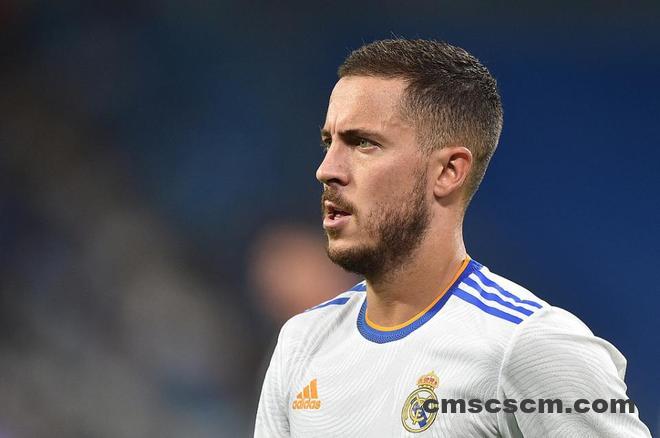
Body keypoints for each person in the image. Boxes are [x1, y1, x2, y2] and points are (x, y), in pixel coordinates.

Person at [254, 38, 651, 437]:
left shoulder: (530, 345)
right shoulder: (301, 342)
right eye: (329, 142)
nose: (327, 169)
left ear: (448, 172)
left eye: (363, 143)